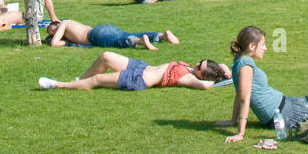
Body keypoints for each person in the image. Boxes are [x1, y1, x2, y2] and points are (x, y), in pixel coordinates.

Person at [39, 55, 230, 92]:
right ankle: (79, 80)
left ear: (200, 75)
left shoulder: (189, 78)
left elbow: (205, 85)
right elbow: (220, 64)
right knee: (105, 56)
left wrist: (218, 81)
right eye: (200, 62)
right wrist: (225, 72)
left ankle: (57, 84)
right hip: (141, 67)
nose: (196, 65)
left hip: (139, 79)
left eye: (199, 68)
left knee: (97, 80)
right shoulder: (192, 70)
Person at [45, 19, 180, 49]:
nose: (53, 33)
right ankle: (161, 36)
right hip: (103, 28)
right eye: (51, 33)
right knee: (125, 34)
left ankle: (139, 42)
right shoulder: (72, 23)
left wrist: (67, 42)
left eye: (52, 30)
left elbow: (54, 43)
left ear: (57, 24)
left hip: (94, 36)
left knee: (116, 42)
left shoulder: (64, 24)